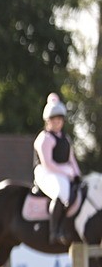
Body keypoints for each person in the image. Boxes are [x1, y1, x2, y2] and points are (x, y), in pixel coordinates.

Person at [33, 93, 83, 245]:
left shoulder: (66, 139)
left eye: (59, 120)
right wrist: (67, 172)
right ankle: (54, 232)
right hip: (45, 172)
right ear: (48, 121)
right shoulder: (44, 138)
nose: (57, 123)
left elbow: (71, 159)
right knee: (60, 193)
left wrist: (77, 174)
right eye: (54, 120)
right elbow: (47, 163)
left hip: (61, 172)